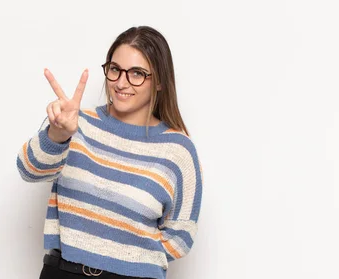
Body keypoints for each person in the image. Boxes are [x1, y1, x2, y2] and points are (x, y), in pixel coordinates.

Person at [16, 26, 203, 279]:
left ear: (159, 81)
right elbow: (28, 170)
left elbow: (181, 234)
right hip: (63, 271)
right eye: (115, 69)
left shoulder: (177, 150)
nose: (121, 82)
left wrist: (129, 262)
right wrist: (57, 135)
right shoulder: (74, 124)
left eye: (137, 73)